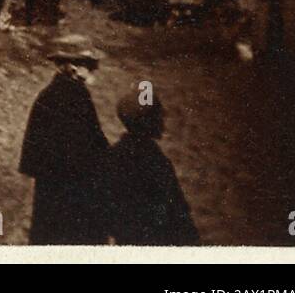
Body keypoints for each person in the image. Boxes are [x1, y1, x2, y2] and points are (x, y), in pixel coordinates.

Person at [18, 33, 110, 244]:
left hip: (50, 192)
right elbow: (91, 147)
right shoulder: (76, 98)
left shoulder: (47, 96)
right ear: (73, 67)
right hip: (74, 195)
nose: (94, 69)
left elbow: (31, 157)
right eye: (89, 64)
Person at [105, 90, 200, 245]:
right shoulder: (156, 162)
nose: (163, 121)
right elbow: (178, 215)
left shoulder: (114, 154)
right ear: (146, 122)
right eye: (158, 116)